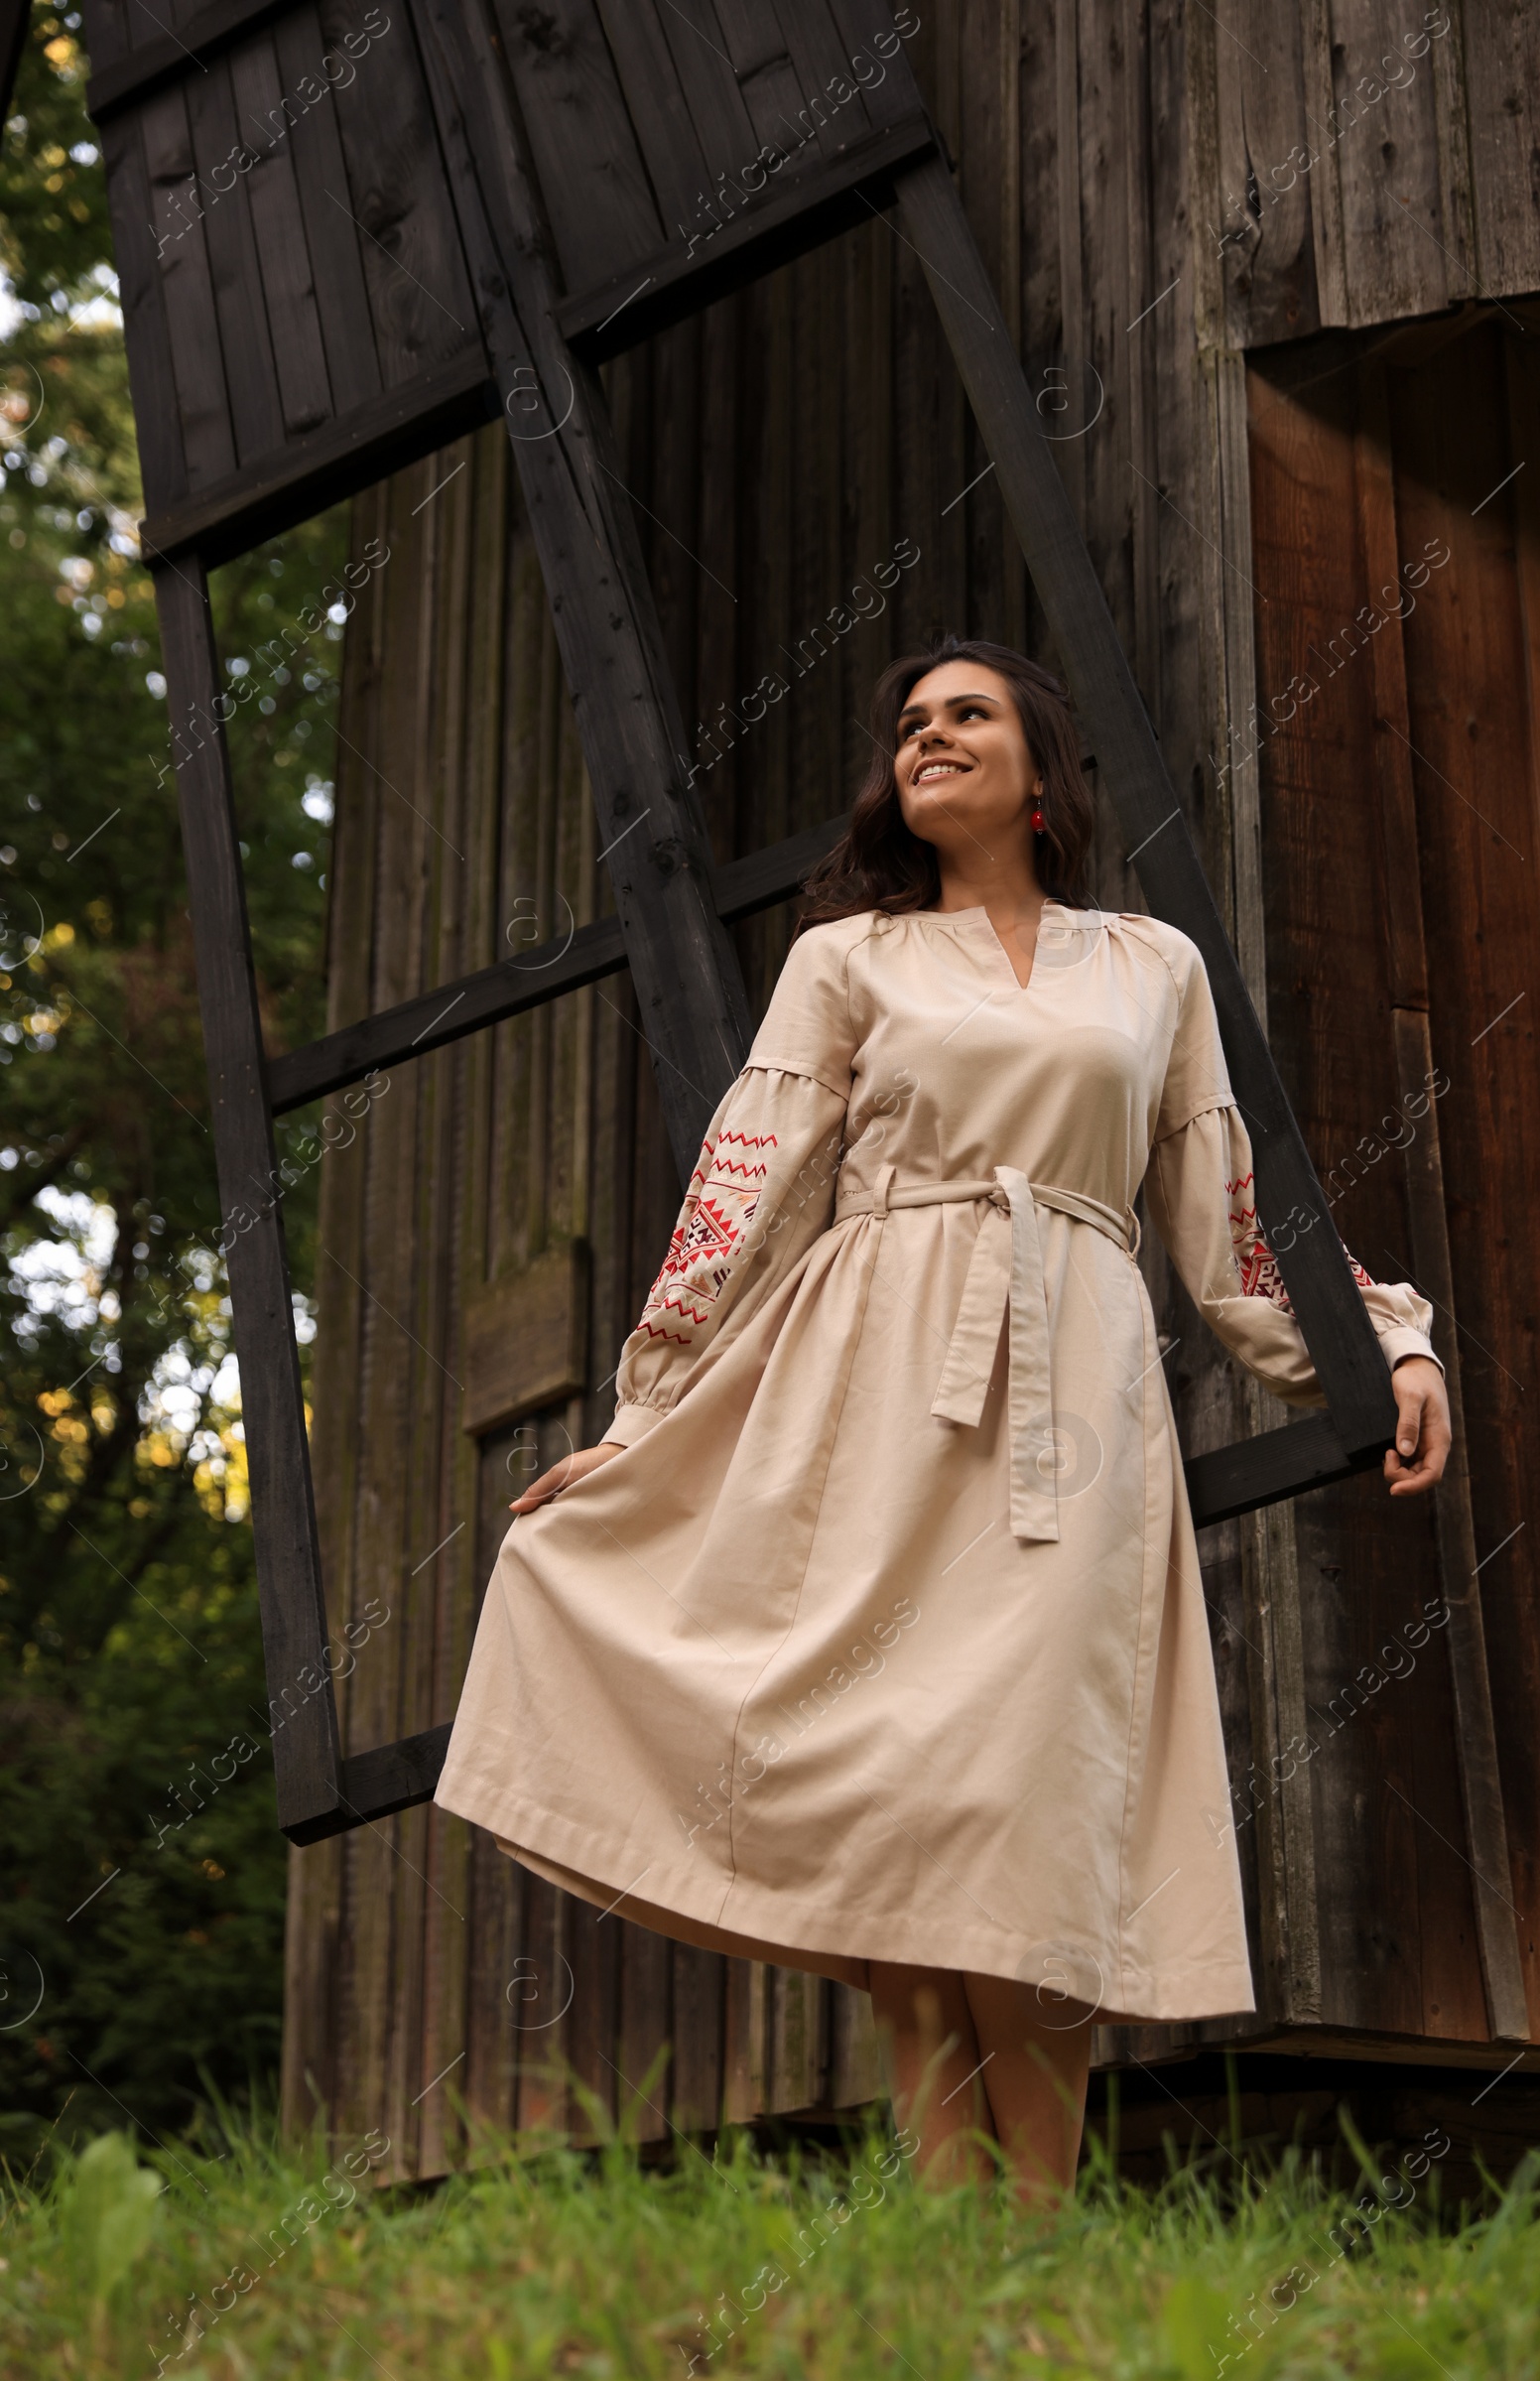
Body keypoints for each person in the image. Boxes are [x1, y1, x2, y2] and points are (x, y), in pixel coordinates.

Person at [435, 636, 1451, 2195]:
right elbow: (747, 1187)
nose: (929, 737)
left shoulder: (1149, 964)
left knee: (1032, 1793)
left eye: (968, 714)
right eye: (909, 723)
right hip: (877, 1386)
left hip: (1077, 1395)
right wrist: (643, 1417)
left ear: (1043, 765)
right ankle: (947, 2233)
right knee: (913, 1796)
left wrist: (1387, 1347)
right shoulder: (850, 959)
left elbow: (1227, 1220)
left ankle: (1036, 2221)